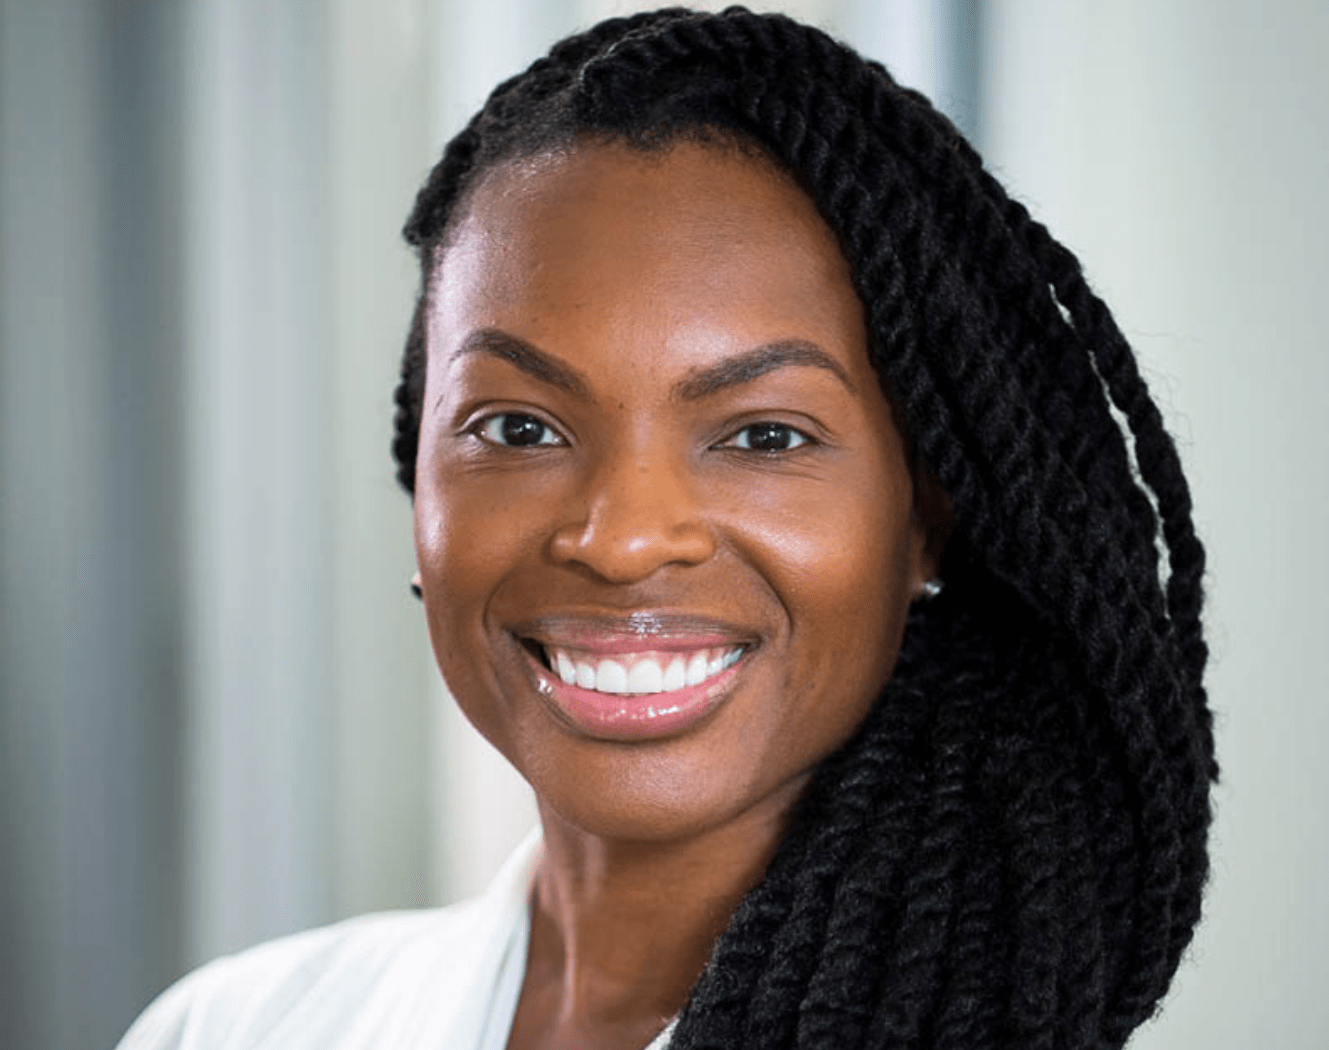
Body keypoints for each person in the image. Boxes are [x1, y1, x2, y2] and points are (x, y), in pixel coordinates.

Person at [117, 7, 1214, 1049]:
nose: (622, 538)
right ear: (421, 487)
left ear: (925, 522)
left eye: (763, 437)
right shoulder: (233, 1027)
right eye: (518, 425)